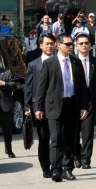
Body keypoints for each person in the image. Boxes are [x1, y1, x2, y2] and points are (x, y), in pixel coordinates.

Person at [34, 34, 90, 182]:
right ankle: (56, 169)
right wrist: (38, 107)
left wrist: (84, 105)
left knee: (70, 139)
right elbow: (41, 87)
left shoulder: (76, 63)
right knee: (56, 138)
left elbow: (83, 87)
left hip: (72, 105)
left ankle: (67, 168)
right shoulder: (50, 63)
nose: (71, 46)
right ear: (59, 45)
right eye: (68, 44)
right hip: (54, 106)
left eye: (72, 44)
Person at [24, 33, 57, 177]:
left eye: (52, 43)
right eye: (47, 43)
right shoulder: (33, 64)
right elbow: (28, 87)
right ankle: (46, 167)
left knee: (57, 137)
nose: (50, 46)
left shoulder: (61, 62)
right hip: (40, 107)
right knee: (44, 138)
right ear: (41, 45)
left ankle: (57, 164)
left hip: (58, 105)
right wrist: (27, 107)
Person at [73, 34, 96, 169]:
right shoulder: (72, 61)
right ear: (76, 45)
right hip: (74, 101)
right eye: (81, 43)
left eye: (86, 43)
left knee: (88, 132)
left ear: (90, 45)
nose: (84, 45)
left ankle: (86, 159)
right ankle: (76, 155)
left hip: (91, 100)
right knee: (73, 133)